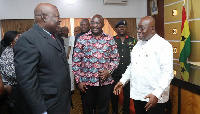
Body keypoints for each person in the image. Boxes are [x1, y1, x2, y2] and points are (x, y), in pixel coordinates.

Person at [14, 3, 71, 114]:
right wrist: (41, 111)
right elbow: (27, 81)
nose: (59, 20)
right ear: (44, 17)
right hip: (47, 104)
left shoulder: (54, 36)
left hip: (60, 101)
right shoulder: (28, 39)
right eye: (57, 16)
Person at [113, 16, 174, 114]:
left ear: (152, 29)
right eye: (138, 28)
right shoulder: (138, 45)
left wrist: (157, 94)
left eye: (142, 28)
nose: (139, 31)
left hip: (153, 96)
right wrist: (122, 81)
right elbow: (132, 66)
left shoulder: (163, 45)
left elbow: (167, 73)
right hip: (138, 95)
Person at [72, 14, 119, 114]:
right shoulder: (82, 39)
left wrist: (109, 71)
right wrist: (79, 80)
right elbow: (76, 61)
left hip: (105, 83)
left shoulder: (110, 40)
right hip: (86, 83)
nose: (94, 25)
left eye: (97, 23)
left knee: (103, 109)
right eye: (92, 22)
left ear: (103, 24)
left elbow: (115, 59)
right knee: (88, 110)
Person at [111, 20, 137, 114]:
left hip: (128, 72)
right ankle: (115, 111)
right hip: (115, 72)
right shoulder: (112, 40)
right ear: (117, 29)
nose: (122, 28)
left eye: (124, 27)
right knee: (114, 93)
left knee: (127, 93)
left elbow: (136, 55)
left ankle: (126, 111)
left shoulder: (132, 40)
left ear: (126, 28)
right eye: (120, 27)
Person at [0, 30, 25, 114]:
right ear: (11, 42)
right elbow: (11, 73)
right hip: (12, 89)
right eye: (18, 39)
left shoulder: (15, 50)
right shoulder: (8, 54)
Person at [67, 26, 81, 94]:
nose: (76, 32)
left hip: (80, 60)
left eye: (78, 31)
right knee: (71, 75)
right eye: (75, 31)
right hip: (71, 59)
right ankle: (71, 89)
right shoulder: (71, 38)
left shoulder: (82, 38)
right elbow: (70, 48)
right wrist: (67, 56)